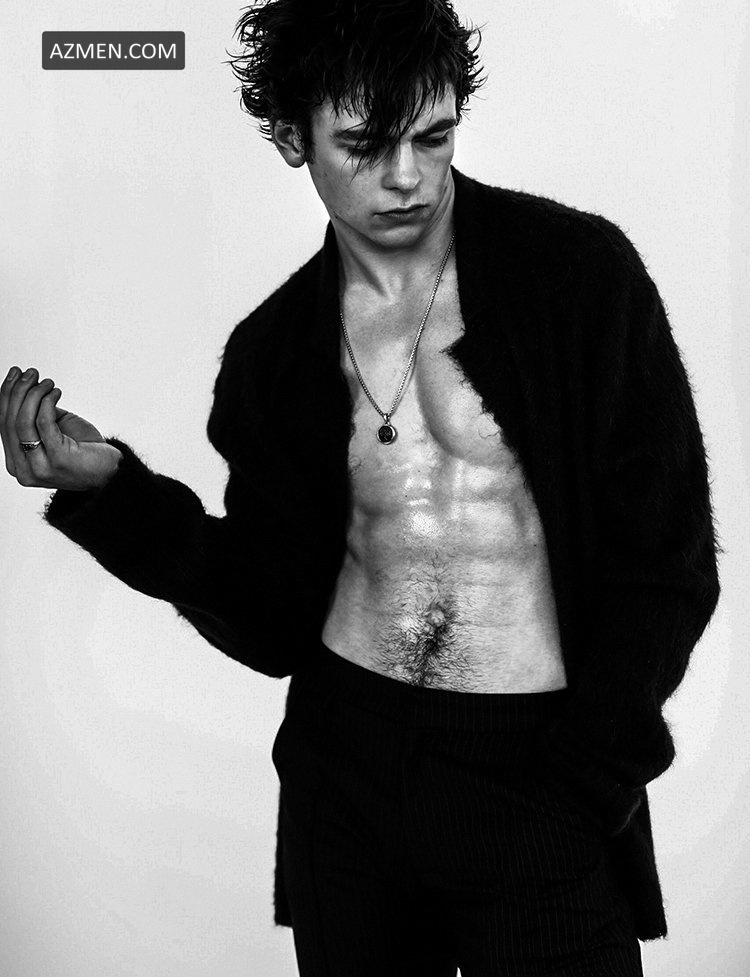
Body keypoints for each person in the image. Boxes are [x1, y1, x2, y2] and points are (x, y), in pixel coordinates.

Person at [1, 1, 721, 974]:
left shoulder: (579, 280)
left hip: (537, 774)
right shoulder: (273, 355)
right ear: (292, 137)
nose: (407, 175)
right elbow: (272, 619)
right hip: (345, 790)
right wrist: (113, 494)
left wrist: (585, 781)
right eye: (366, 144)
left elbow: (668, 568)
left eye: (434, 135)